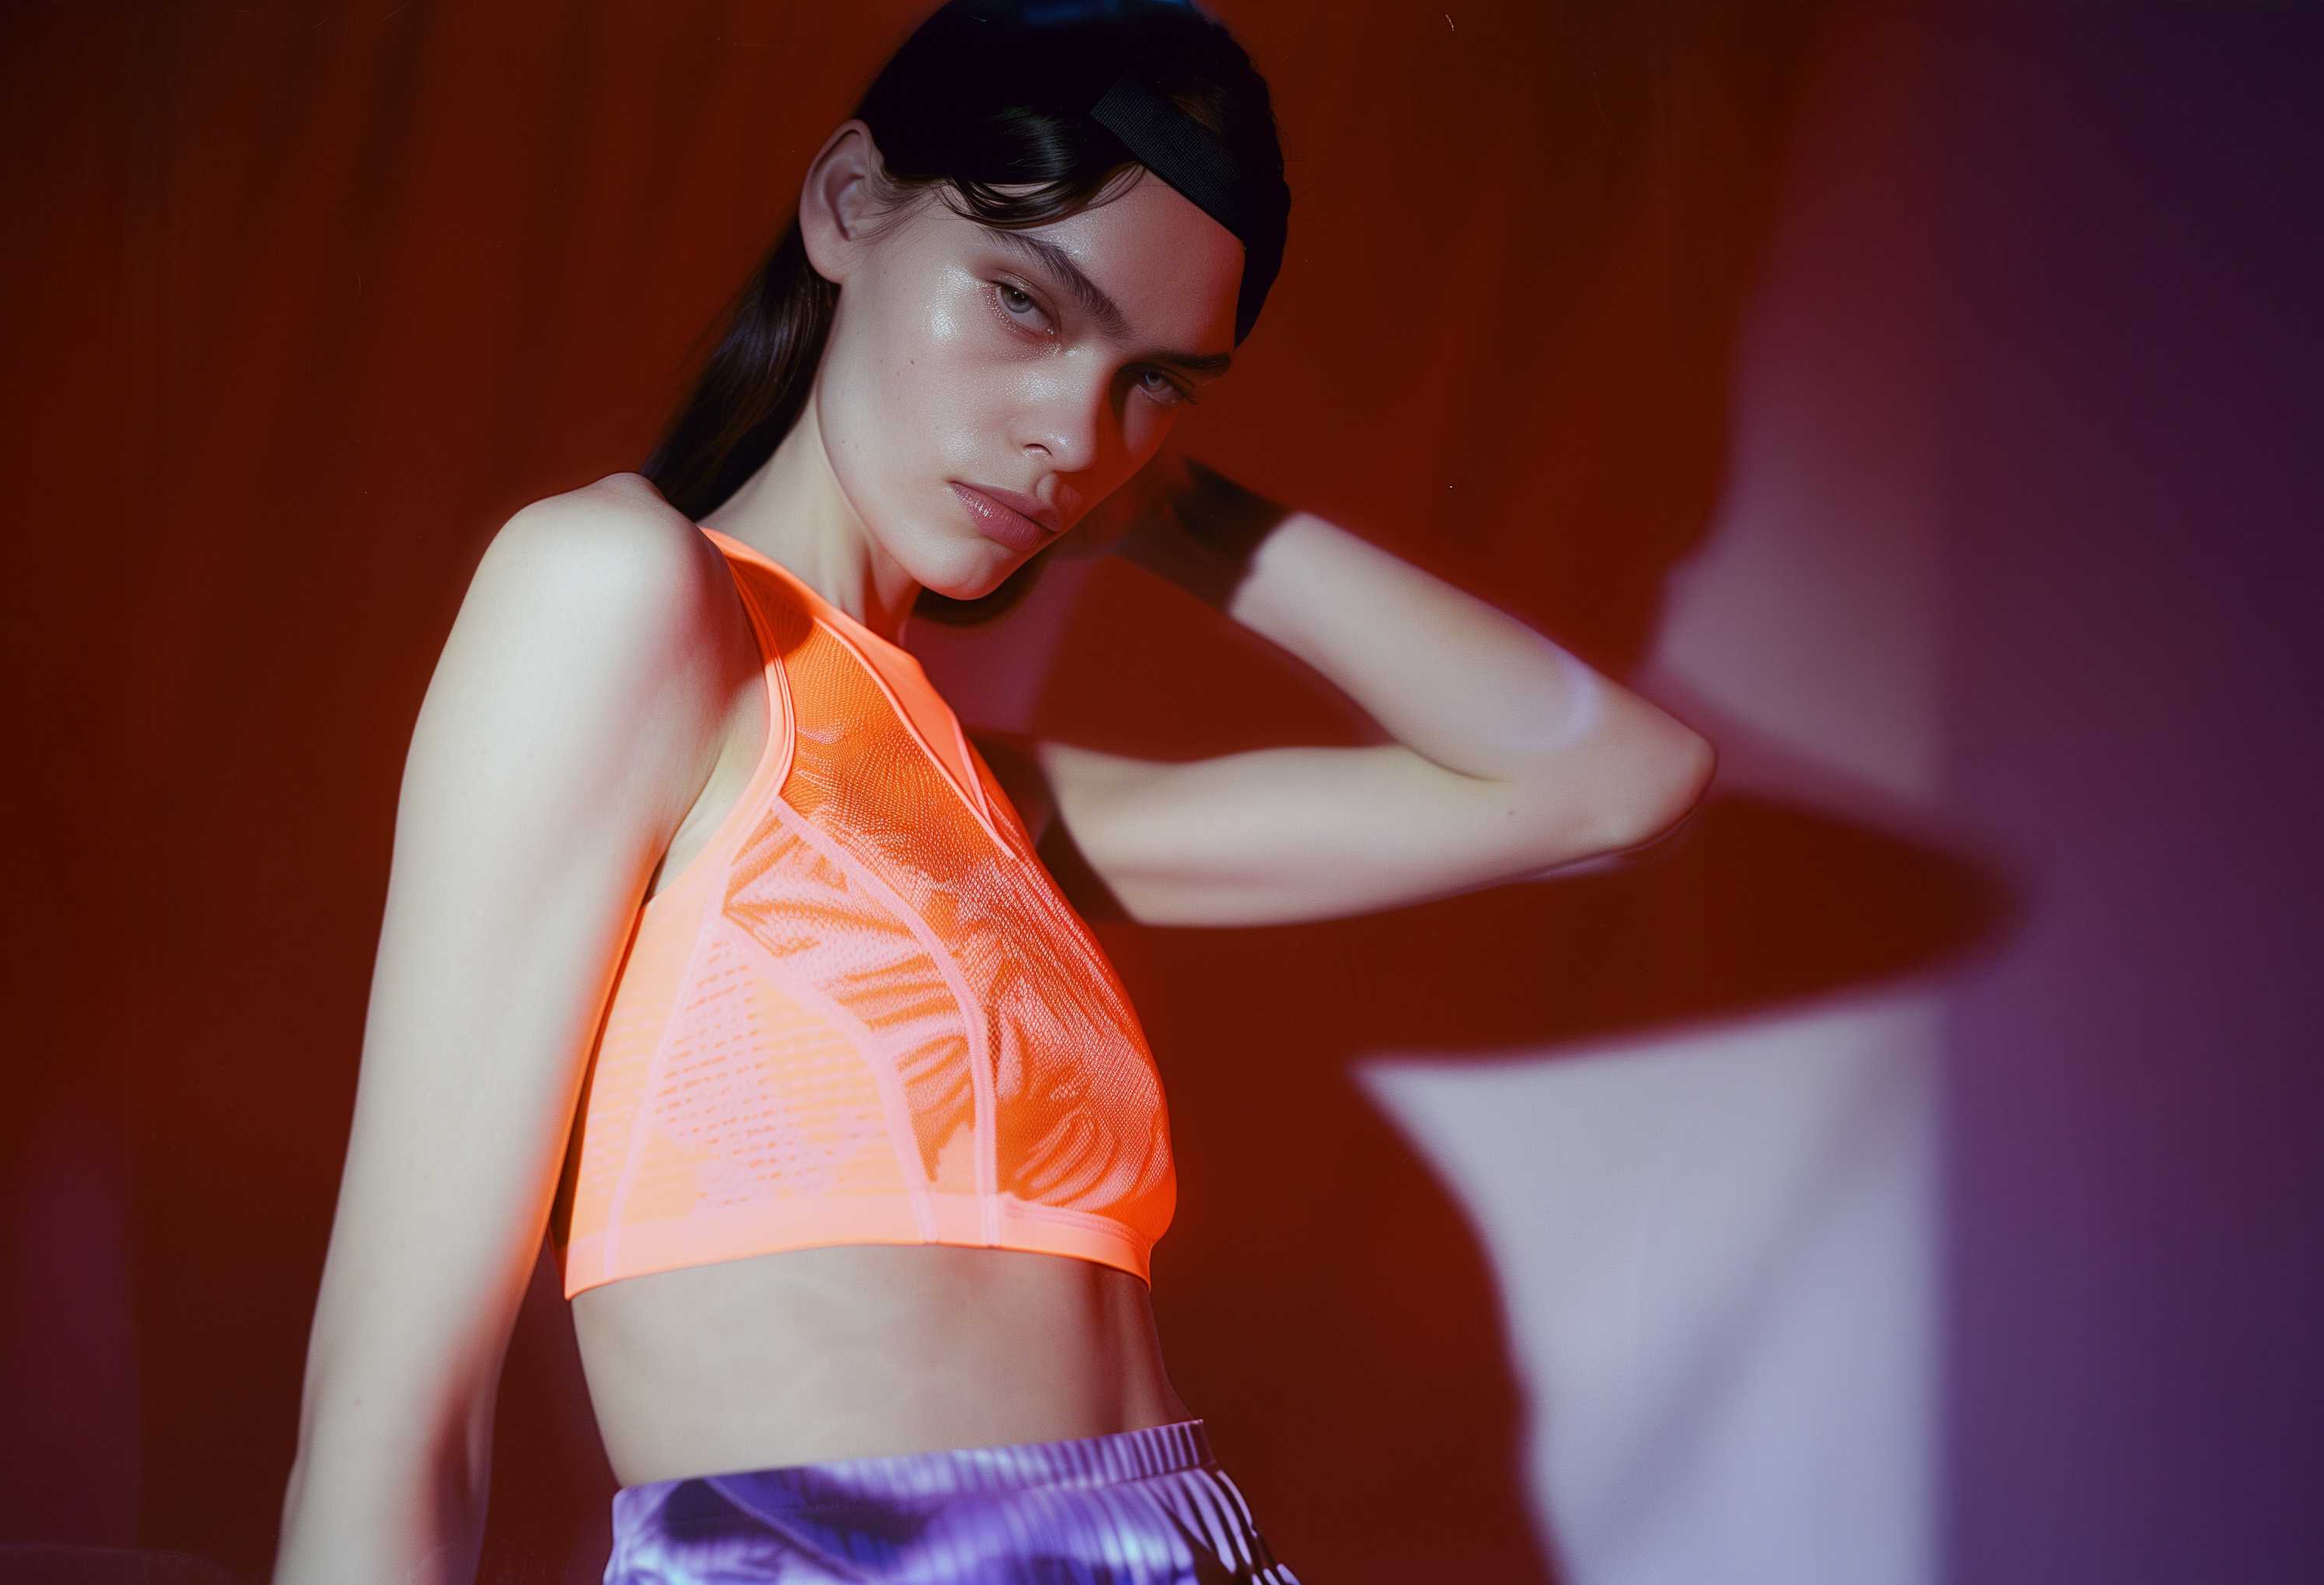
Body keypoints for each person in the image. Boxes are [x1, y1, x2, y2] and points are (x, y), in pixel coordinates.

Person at [272, 2, 1716, 1580]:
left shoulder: (989, 802)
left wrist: (1166, 511)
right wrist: (1121, 437)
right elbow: (388, 1414)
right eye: (1026, 303)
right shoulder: (620, 594)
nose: (1072, 436)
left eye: (1154, 381)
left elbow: (1609, 782)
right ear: (847, 204)